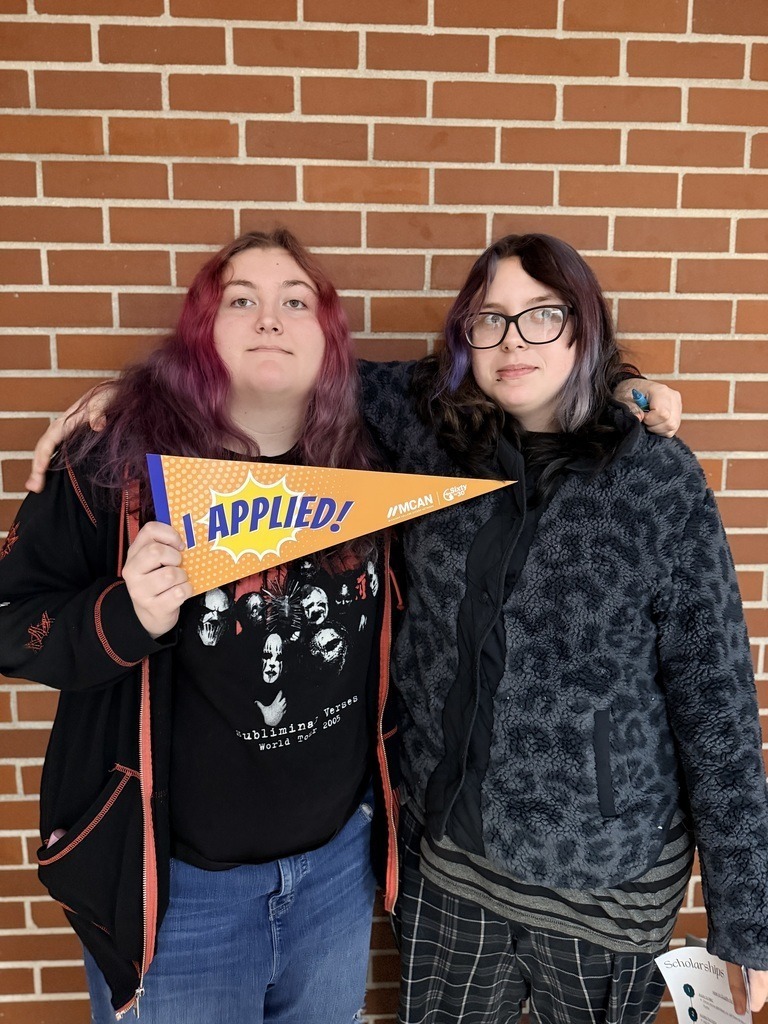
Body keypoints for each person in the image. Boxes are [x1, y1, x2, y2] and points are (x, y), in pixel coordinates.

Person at [353, 233, 768, 1023]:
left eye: (542, 316)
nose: (513, 342)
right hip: (450, 871)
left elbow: (716, 705)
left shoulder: (654, 477)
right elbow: (299, 373)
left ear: (584, 328)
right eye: (489, 320)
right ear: (464, 341)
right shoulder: (435, 440)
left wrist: (746, 920)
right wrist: (142, 400)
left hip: (606, 891)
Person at [0, 229, 400, 1023]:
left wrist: (624, 390)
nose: (269, 320)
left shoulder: (371, 458)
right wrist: (125, 612)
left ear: (328, 337)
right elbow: (13, 623)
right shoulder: (114, 467)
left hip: (334, 878)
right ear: (202, 333)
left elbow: (500, 388)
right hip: (180, 900)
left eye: (295, 302)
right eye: (240, 301)